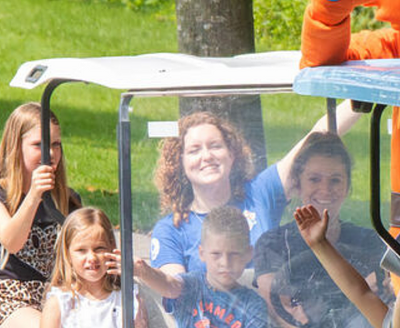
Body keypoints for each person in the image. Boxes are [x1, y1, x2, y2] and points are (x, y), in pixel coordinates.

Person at [148, 104, 361, 280]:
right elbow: (175, 290)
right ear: (180, 164)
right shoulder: (170, 230)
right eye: (194, 150)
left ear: (232, 154)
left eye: (215, 146)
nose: (207, 156)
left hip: (276, 315)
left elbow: (318, 135)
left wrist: (360, 100)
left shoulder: (260, 193)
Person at [253, 134, 388, 328]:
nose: (325, 189)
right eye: (314, 179)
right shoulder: (272, 244)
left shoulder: (368, 242)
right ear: (298, 185)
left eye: (335, 180)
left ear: (347, 187)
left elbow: (386, 308)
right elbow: (277, 312)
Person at [0, 102, 80, 328]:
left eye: (56, 144)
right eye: (39, 145)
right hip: (7, 300)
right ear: (15, 147)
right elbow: (12, 241)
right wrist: (34, 195)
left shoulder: (67, 200)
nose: (50, 154)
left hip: (55, 296)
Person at [135, 203, 267, 328]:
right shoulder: (191, 286)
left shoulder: (255, 305)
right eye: (216, 254)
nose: (225, 262)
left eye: (234, 254)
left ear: (248, 254)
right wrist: (142, 270)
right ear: (202, 253)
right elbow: (168, 284)